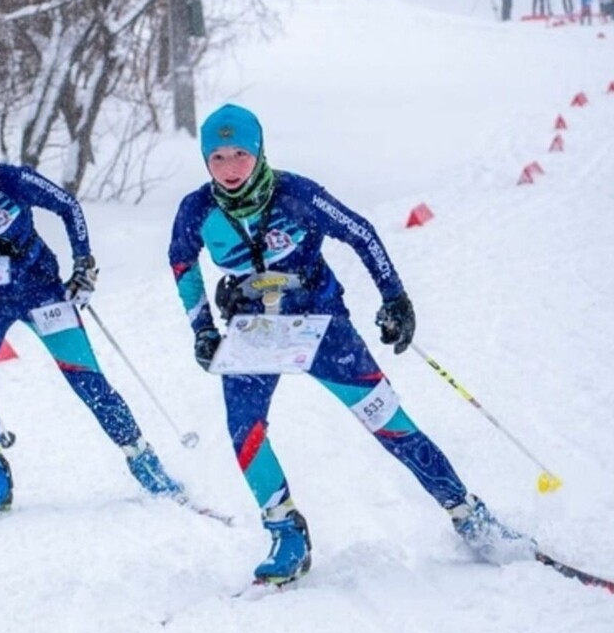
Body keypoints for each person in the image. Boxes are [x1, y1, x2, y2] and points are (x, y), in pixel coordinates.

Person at [166, 104, 538, 585]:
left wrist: (395, 299)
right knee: (244, 429)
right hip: (254, 333)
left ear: (259, 152)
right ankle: (286, 532)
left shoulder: (296, 194)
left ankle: (469, 514)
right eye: (218, 158)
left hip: (321, 324)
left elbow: (361, 233)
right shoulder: (197, 210)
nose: (231, 168)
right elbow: (181, 264)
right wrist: (202, 328)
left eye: (241, 153)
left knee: (386, 419)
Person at [0, 114, 183, 514]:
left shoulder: (11, 180)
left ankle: (142, 458)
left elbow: (68, 206)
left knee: (86, 379)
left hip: (38, 288)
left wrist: (83, 265)